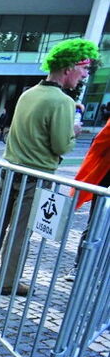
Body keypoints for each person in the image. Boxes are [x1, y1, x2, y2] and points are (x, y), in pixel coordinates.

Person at [0, 38, 99, 296]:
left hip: (11, 168)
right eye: (84, 68)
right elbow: (62, 145)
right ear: (69, 68)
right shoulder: (61, 101)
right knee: (21, 229)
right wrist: (74, 130)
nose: (85, 75)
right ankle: (8, 281)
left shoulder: (28, 94)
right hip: (36, 174)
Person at [65, 119, 110, 281]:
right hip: (105, 179)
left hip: (104, 177)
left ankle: (83, 268)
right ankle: (80, 266)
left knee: (95, 223)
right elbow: (99, 144)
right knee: (95, 223)